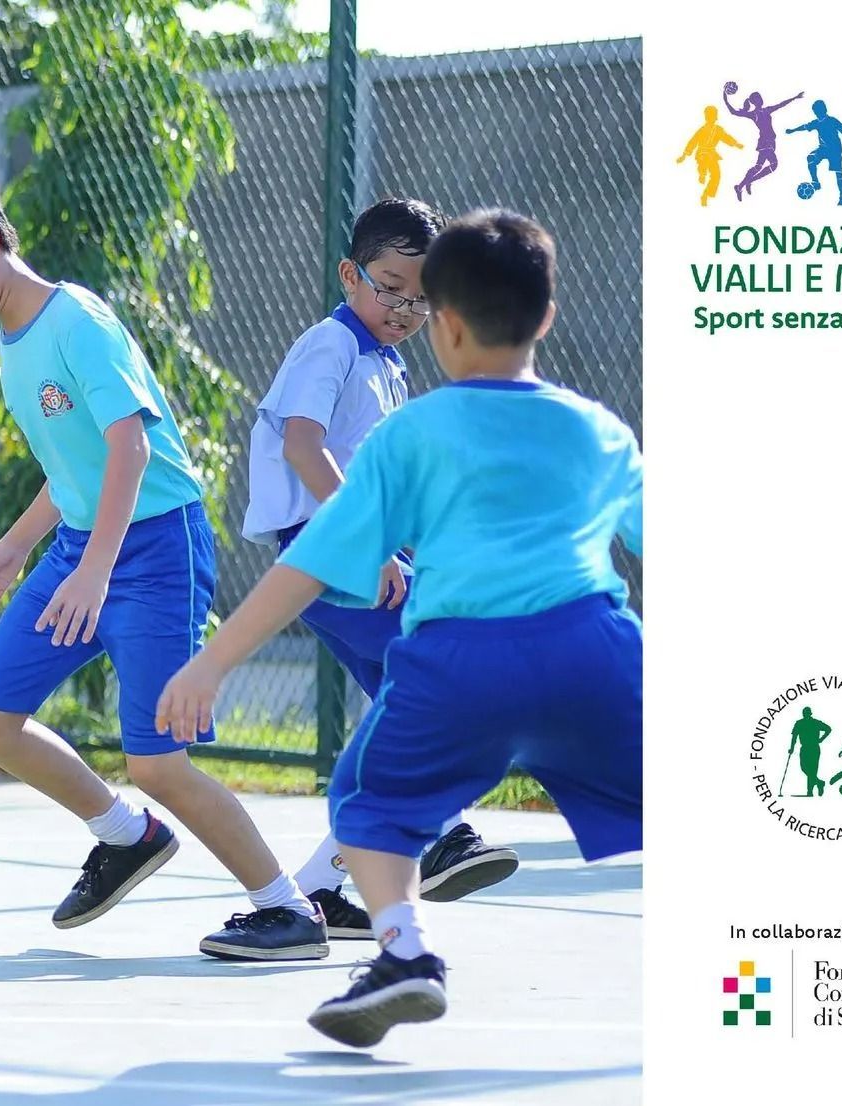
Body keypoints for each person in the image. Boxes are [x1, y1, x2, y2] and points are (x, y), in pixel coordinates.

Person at [158, 209, 643, 1046]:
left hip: (461, 658)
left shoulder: (408, 433)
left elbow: (306, 566)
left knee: (366, 799)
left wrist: (213, 662)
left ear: (444, 323)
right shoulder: (600, 430)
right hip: (590, 649)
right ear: (547, 317)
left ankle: (403, 950)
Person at [0, 162, 325, 960]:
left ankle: (286, 909)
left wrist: (94, 570)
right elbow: (72, 467)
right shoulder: (13, 344)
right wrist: (17, 548)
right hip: (85, 546)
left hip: (153, 547)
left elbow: (130, 444)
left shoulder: (76, 320)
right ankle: (126, 837)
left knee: (158, 760)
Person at [240, 197, 517, 941]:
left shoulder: (383, 363)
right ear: (350, 274)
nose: (403, 307)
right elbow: (304, 445)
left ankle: (317, 891)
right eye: (390, 287)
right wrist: (370, 545)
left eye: (422, 298)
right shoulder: (331, 346)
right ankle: (446, 833)